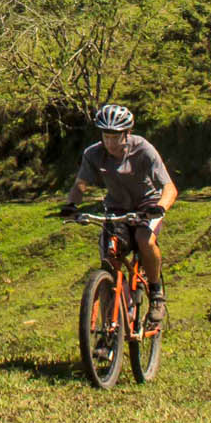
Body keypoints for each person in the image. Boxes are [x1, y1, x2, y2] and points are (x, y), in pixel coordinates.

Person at [60, 104, 176, 329]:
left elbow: (169, 187)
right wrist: (71, 205)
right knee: (109, 261)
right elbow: (81, 184)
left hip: (147, 205)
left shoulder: (143, 150)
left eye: (116, 137)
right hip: (116, 208)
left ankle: (156, 293)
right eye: (106, 136)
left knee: (145, 240)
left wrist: (161, 207)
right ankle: (109, 328)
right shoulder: (93, 154)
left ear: (127, 133)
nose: (110, 143)